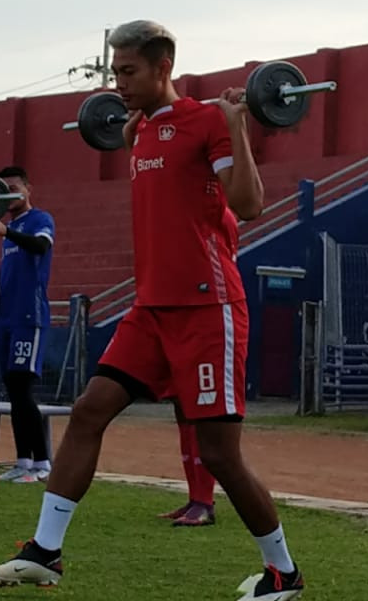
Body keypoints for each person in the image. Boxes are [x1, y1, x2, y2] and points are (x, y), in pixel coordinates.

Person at [0, 20, 303, 600]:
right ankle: (44, 553)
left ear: (163, 66)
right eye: (114, 72)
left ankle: (283, 573)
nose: (118, 83)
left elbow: (248, 205)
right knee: (87, 411)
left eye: (128, 71)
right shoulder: (142, 130)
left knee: (219, 456)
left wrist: (236, 126)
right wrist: (140, 135)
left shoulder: (208, 120)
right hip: (150, 310)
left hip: (207, 310)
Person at [157, 207, 239, 527]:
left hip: (204, 317)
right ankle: (195, 497)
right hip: (177, 315)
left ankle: (205, 501)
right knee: (182, 411)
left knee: (202, 414)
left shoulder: (216, 215)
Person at [0, 166, 55, 484]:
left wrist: (6, 232)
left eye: (14, 187)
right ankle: (22, 461)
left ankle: (42, 463)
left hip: (30, 317)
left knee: (23, 388)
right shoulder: (10, 227)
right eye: (4, 190)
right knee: (13, 390)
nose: (10, 194)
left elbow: (41, 247)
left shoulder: (40, 219)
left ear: (28, 189)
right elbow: (10, 266)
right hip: (7, 318)